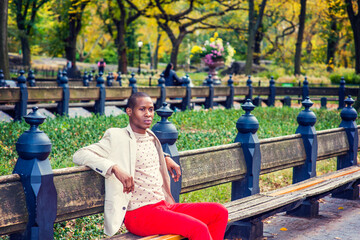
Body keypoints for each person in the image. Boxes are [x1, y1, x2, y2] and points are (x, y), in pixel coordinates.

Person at [73, 92, 228, 240]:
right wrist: (114, 168)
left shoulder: (151, 137)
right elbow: (80, 154)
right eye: (142, 109)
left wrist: (165, 158)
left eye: (151, 109)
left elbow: (141, 156)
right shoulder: (116, 136)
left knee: (219, 212)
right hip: (139, 214)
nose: (148, 114)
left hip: (163, 207)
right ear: (129, 111)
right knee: (198, 228)